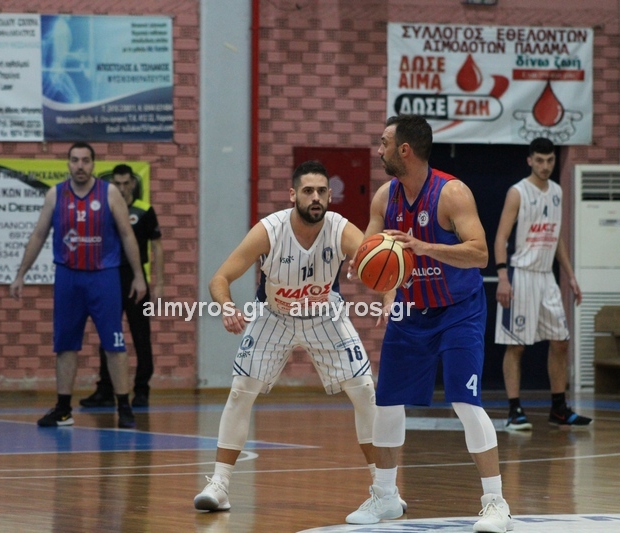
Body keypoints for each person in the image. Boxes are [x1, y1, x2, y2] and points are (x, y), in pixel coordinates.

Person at [194, 161, 406, 514]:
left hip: (325, 314)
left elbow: (382, 264)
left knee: (365, 392)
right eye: (308, 191)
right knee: (241, 391)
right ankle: (219, 485)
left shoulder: (340, 229)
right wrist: (227, 307)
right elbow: (220, 278)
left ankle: (384, 490)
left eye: (322, 191)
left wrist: (388, 299)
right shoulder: (269, 230)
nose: (315, 197)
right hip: (274, 314)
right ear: (293, 195)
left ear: (330, 196)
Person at [345, 115, 512, 532]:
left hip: (459, 311)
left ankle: (496, 503)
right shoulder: (384, 197)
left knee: (465, 401)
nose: (378, 149)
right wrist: (381, 288)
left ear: (404, 150)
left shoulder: (451, 193)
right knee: (386, 401)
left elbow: (479, 253)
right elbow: (372, 256)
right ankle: (385, 496)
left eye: (384, 142)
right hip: (410, 309)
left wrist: (424, 247)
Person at [10, 142, 146, 429]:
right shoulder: (55, 194)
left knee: (114, 344)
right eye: (75, 160)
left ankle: (124, 406)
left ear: (93, 164)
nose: (80, 166)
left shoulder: (109, 193)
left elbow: (127, 234)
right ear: (68, 163)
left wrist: (138, 275)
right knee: (65, 345)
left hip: (104, 277)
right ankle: (63, 409)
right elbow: (38, 235)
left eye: (85, 160)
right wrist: (21, 274)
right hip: (68, 277)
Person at [494, 137, 591, 431]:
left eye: (550, 160)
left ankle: (559, 408)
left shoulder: (557, 192)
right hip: (521, 274)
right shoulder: (517, 192)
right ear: (530, 160)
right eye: (539, 160)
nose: (545, 166)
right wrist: (502, 277)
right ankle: (514, 410)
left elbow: (556, 237)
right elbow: (500, 238)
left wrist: (570, 275)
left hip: (547, 277)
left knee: (561, 340)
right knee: (516, 345)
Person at [80, 164, 163, 408]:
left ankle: (142, 390)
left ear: (133, 184)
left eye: (127, 183)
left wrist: (159, 283)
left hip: (136, 279)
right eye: (118, 183)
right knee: (108, 334)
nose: (123, 188)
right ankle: (105, 390)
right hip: (108, 277)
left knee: (141, 335)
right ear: (112, 184)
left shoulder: (144, 210)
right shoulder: (103, 210)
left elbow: (157, 247)